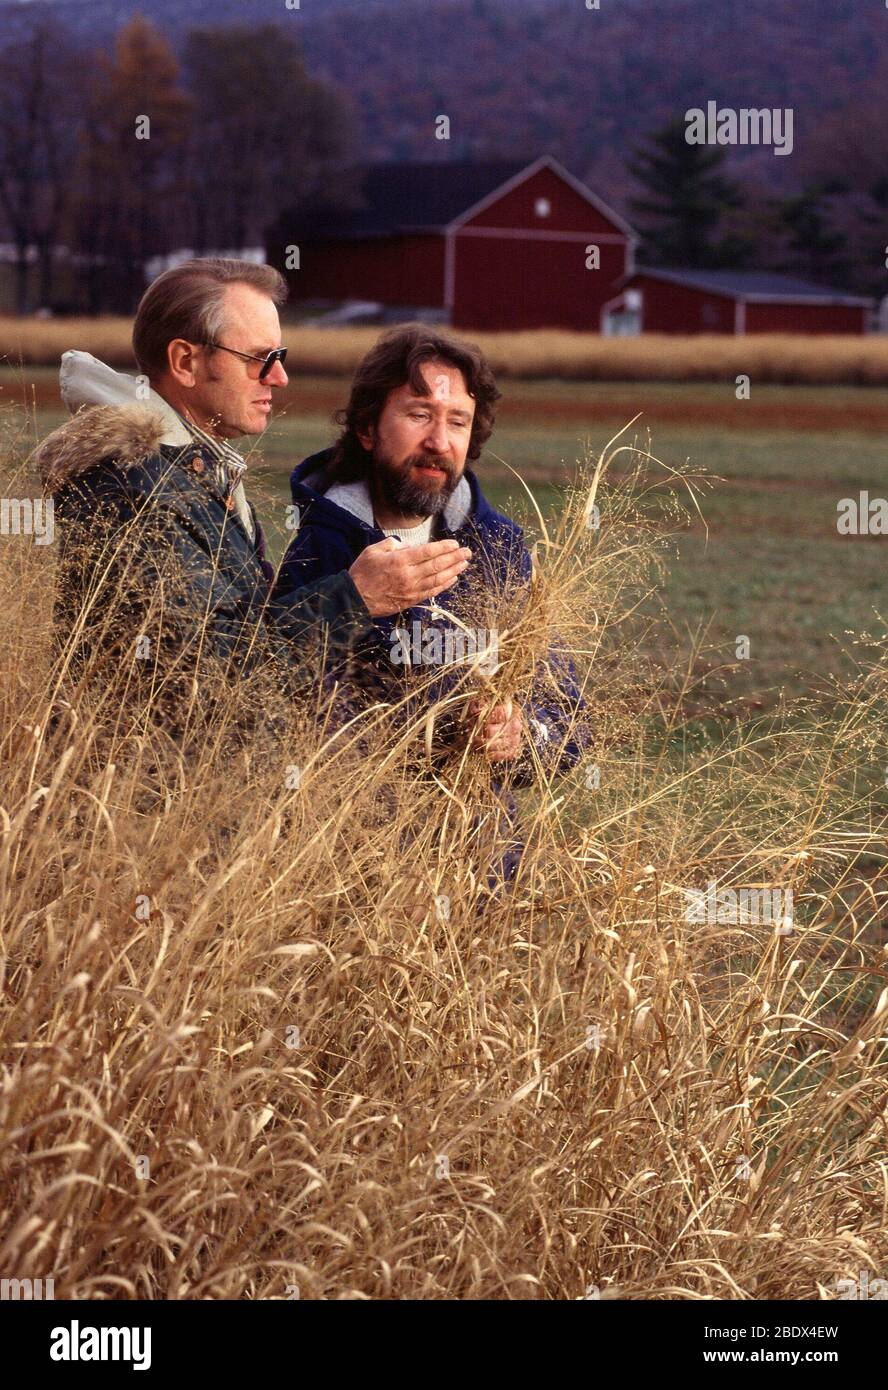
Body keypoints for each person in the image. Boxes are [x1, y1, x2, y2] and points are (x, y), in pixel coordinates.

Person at [35, 260, 473, 731]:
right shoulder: (135, 488)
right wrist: (353, 598)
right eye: (259, 359)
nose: (279, 377)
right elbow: (185, 682)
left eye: (279, 356)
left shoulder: (193, 475)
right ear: (185, 362)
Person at [273, 323, 587, 884]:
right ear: (368, 428)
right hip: (354, 876)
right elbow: (278, 706)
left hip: (483, 876)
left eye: (457, 422)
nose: (440, 441)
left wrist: (520, 738)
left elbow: (571, 722)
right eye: (419, 414)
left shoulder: (501, 552)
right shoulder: (323, 549)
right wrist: (435, 740)